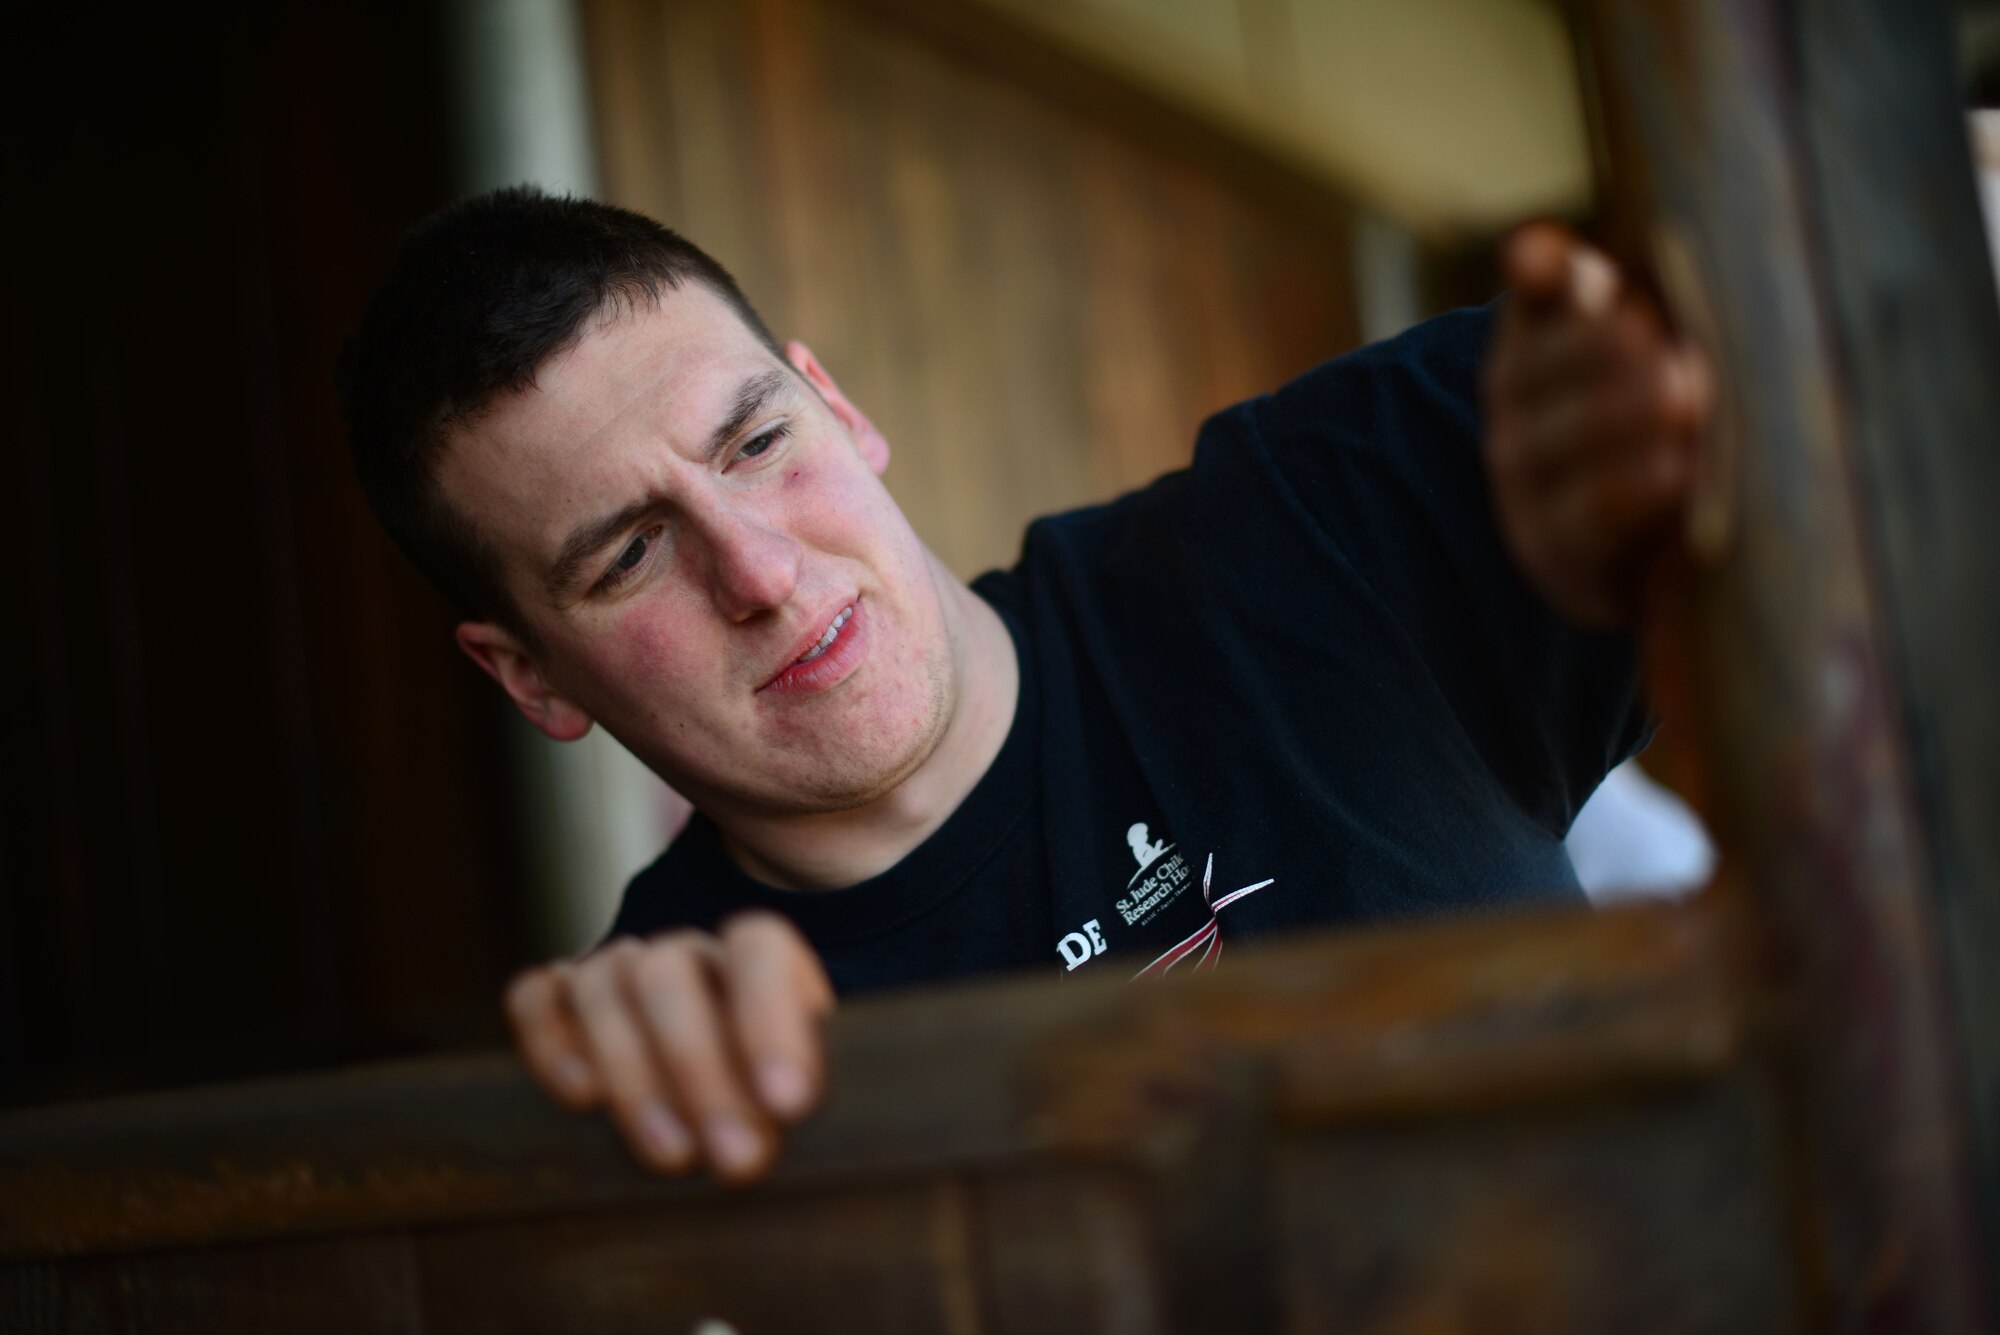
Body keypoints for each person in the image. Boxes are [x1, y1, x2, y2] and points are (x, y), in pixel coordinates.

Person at [337, 187, 1710, 1185]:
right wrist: (590, 1184)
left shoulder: (1318, 529)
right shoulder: (675, 1058)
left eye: (758, 440)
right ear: (528, 677)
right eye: (631, 554)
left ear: (840, 407)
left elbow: (1856, 317)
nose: (757, 572)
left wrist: (1735, 420)